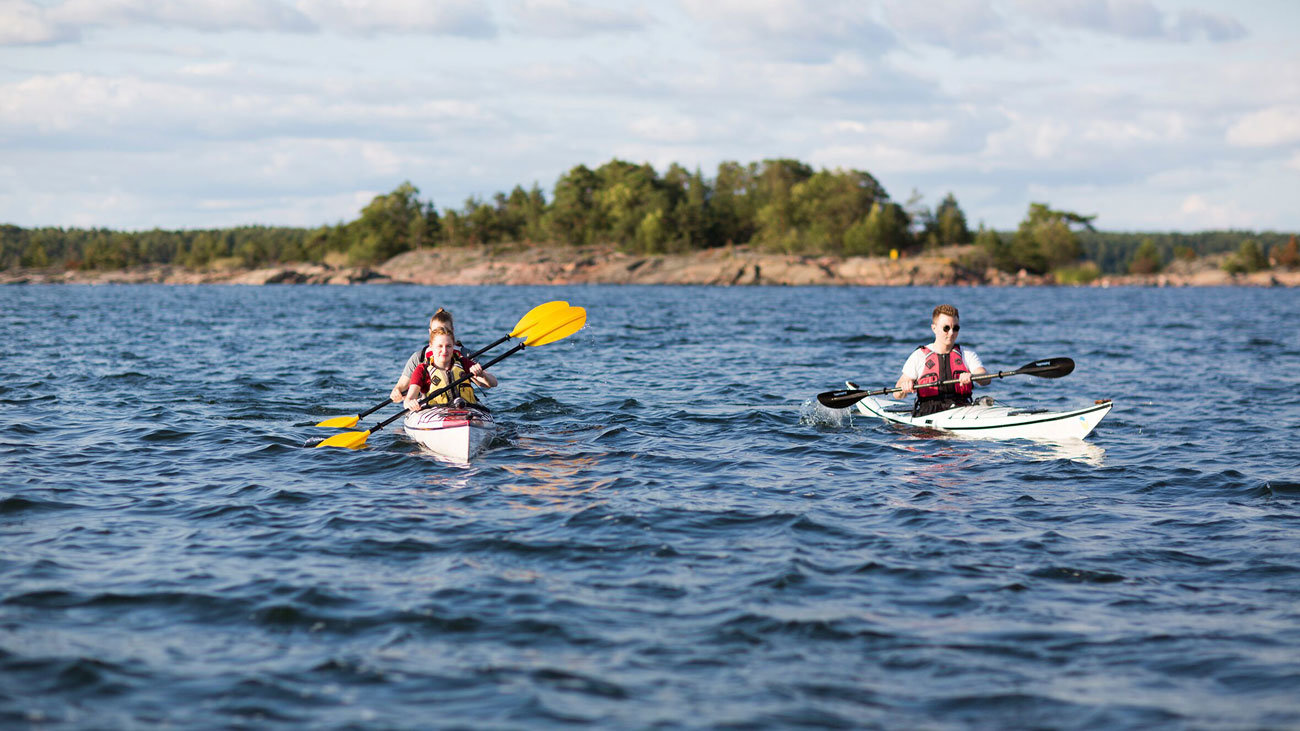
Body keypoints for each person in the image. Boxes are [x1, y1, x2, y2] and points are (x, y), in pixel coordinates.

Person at [892, 304, 988, 417]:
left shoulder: (967, 354)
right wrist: (904, 387)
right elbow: (896, 394)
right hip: (928, 413)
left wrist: (972, 376)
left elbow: (985, 379)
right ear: (934, 328)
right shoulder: (919, 356)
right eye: (946, 328)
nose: (951, 333)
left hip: (962, 410)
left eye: (955, 328)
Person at [403, 327, 497, 412]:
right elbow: (408, 400)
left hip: (466, 410)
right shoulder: (422, 370)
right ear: (431, 346)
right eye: (440, 346)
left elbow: (493, 383)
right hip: (436, 413)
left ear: (453, 346)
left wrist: (482, 375)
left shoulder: (463, 363)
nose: (444, 350)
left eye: (448, 346)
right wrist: (411, 403)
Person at [390, 308, 459, 403]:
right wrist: (396, 392)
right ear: (430, 332)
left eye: (445, 330)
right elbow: (401, 386)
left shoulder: (463, 356)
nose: (441, 333)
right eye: (436, 331)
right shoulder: (419, 358)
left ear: (452, 331)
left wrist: (479, 373)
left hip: (460, 404)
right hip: (428, 406)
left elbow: (486, 384)